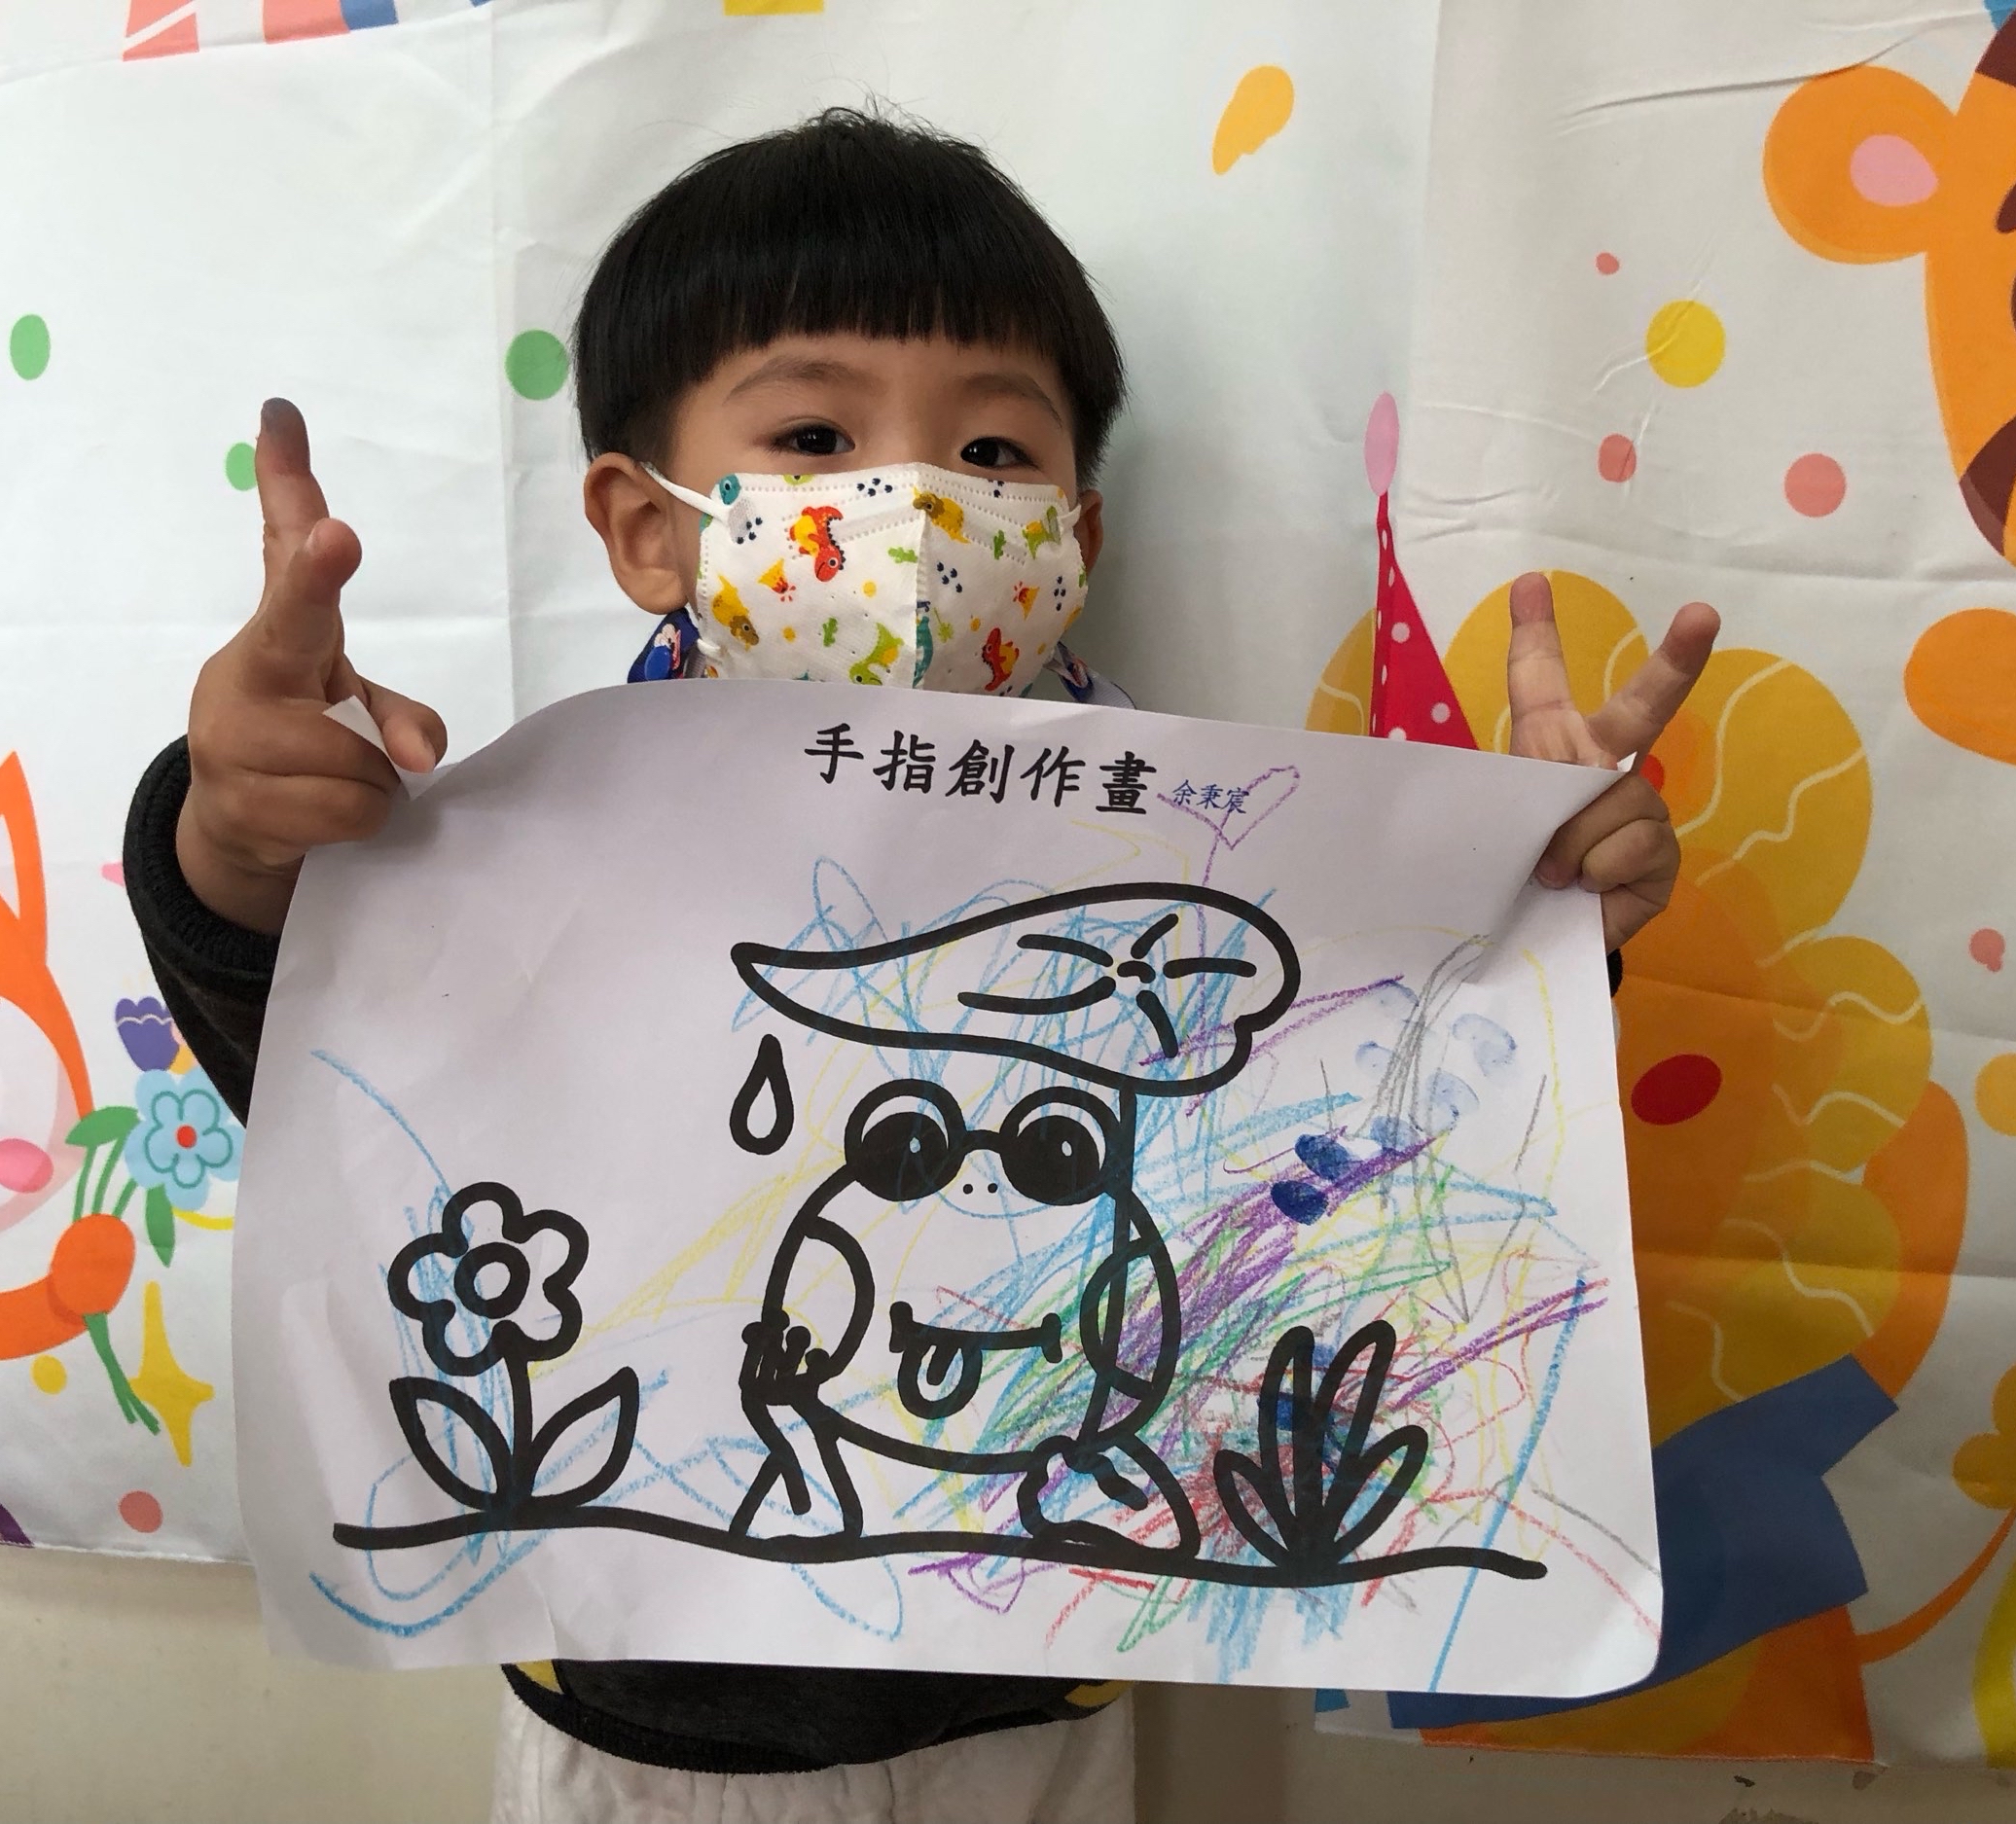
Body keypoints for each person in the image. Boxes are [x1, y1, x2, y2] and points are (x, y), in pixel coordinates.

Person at [124, 108, 1716, 1824]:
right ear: (647, 524)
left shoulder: (1181, 877)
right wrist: (239, 846)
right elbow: (342, 1097)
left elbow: (1345, 1125)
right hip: (643, 1743)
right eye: (815, 434)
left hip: (1036, 1708)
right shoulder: (540, 855)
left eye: (995, 451)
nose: (920, 506)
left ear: (1076, 537)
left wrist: (1530, 918)